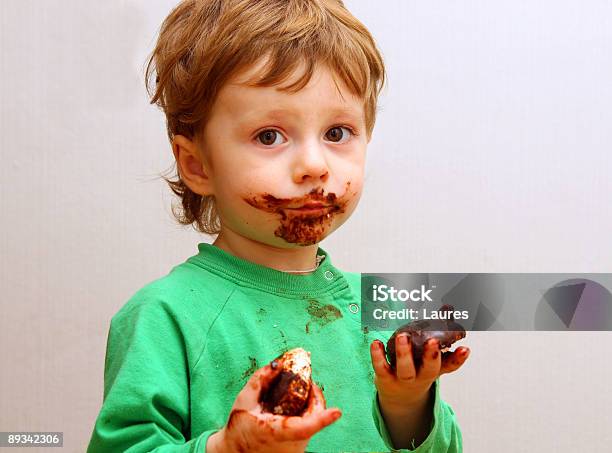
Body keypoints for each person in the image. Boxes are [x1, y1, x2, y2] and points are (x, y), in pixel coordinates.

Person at [87, 0, 470, 451]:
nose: (313, 165)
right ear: (197, 164)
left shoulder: (378, 309)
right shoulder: (164, 316)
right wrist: (229, 448)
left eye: (337, 133)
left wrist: (408, 402)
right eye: (269, 136)